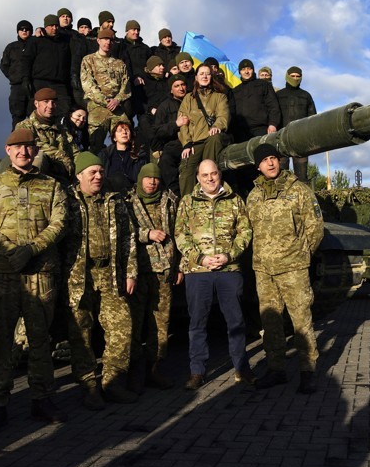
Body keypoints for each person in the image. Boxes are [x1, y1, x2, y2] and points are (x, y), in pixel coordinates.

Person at [0, 128, 68, 432]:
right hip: (2, 275)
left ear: (35, 150)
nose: (24, 152)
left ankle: (42, 399)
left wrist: (32, 249)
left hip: (40, 274)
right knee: (0, 341)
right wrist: (10, 251)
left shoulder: (51, 186)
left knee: (40, 340)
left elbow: (60, 222)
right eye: (18, 147)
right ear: (8, 151)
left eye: (29, 147)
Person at [246, 144, 324, 394]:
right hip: (263, 269)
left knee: (301, 320)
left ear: (280, 162)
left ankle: (308, 370)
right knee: (270, 321)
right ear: (258, 166)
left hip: (293, 268)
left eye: (274, 159)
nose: (270, 163)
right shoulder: (254, 195)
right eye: (265, 160)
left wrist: (301, 254)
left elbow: (315, 227)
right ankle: (276, 369)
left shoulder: (298, 190)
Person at [64, 152, 139, 409]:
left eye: (100, 172)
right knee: (81, 333)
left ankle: (113, 383)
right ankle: (89, 387)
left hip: (111, 274)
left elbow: (129, 237)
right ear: (79, 176)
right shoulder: (66, 200)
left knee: (121, 328)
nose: (98, 177)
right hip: (79, 277)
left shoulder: (114, 200)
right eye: (92, 173)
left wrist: (131, 272)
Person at [174, 159, 255, 389]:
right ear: (198, 177)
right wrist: (200, 258)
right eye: (205, 175)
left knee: (236, 321)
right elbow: (180, 234)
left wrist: (230, 255)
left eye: (214, 174)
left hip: (229, 270)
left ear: (219, 174)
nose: (210, 178)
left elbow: (245, 232)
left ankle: (241, 368)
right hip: (198, 271)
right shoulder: (188, 202)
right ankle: (197, 371)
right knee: (198, 323)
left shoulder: (234, 200)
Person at [129, 163, 181, 389]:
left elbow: (179, 232)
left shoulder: (170, 201)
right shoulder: (128, 203)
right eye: (148, 178)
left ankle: (154, 369)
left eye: (156, 179)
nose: (152, 182)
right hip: (139, 272)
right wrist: (146, 234)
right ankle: (133, 371)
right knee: (134, 323)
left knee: (161, 323)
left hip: (164, 271)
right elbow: (122, 231)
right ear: (140, 179)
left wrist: (179, 266)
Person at [230, 58, 282, 194]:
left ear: (253, 70)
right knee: (245, 169)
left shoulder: (263, 85)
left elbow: (273, 106)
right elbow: (232, 113)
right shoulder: (235, 91)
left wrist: (273, 124)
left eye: (249, 68)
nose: (246, 71)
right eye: (243, 69)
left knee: (265, 165)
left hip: (261, 130)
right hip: (242, 133)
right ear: (240, 72)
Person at [177, 63, 229, 195]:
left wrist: (217, 126)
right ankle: (187, 204)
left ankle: (210, 192)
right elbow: (183, 123)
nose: (205, 76)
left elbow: (223, 116)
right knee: (187, 167)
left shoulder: (219, 96)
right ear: (196, 77)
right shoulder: (189, 98)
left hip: (212, 139)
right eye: (202, 73)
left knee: (214, 140)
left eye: (208, 74)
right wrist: (187, 143)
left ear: (211, 77)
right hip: (195, 141)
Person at [16, 87, 78, 184]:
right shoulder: (24, 126)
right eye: (46, 102)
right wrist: (61, 156)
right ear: (36, 104)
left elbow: (74, 152)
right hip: (41, 171)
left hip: (62, 171)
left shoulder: (62, 129)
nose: (50, 106)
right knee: (39, 157)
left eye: (53, 102)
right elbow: (34, 147)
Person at [80, 28, 131, 147]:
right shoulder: (88, 60)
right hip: (97, 107)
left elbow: (126, 84)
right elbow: (88, 84)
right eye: (105, 39)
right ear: (98, 40)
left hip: (117, 107)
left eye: (110, 40)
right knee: (95, 142)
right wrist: (105, 101)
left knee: (126, 137)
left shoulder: (119, 63)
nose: (108, 42)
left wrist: (117, 100)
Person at [24, 14, 74, 119]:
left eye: (56, 26)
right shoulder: (36, 40)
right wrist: (26, 79)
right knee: (37, 110)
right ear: (46, 27)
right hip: (40, 81)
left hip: (59, 83)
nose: (54, 28)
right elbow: (27, 60)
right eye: (51, 26)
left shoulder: (64, 42)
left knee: (65, 108)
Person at [276, 66, 317, 183]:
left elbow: (313, 118)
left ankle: (303, 200)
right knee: (281, 176)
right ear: (287, 76)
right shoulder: (279, 95)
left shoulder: (306, 96)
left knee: (302, 177)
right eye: (292, 76)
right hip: (281, 139)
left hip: (301, 139)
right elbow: (273, 115)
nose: (295, 78)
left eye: (298, 76)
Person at [152, 74, 188, 195]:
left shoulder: (193, 101)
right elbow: (158, 131)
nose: (181, 88)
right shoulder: (165, 106)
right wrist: (176, 124)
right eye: (176, 86)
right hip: (174, 144)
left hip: (193, 141)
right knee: (166, 162)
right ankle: (175, 194)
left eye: (183, 84)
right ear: (171, 89)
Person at [0, 20, 34, 129]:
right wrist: (13, 77)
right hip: (17, 86)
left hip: (33, 86)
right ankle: (17, 143)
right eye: (21, 29)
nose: (24, 31)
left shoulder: (36, 45)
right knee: (18, 116)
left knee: (34, 116)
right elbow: (4, 65)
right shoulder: (11, 47)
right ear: (17, 31)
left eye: (27, 29)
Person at [99, 119, 147, 193]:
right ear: (114, 138)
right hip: (110, 192)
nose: (124, 132)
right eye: (120, 130)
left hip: (132, 192)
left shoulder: (139, 155)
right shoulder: (105, 155)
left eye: (127, 130)